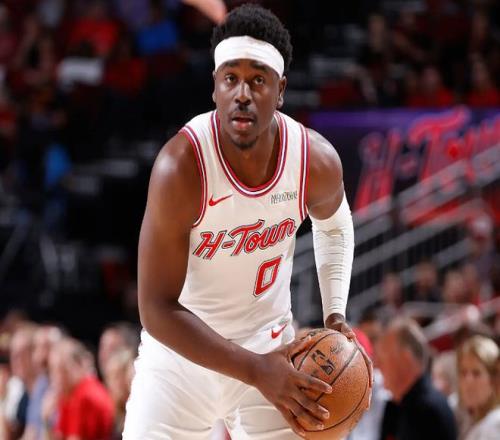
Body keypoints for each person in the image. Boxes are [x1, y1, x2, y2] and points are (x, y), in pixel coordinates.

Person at [123, 4, 371, 439]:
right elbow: (156, 308)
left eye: (258, 80)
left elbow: (335, 225)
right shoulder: (181, 167)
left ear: (280, 90)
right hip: (181, 361)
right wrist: (255, 370)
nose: (242, 93)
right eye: (230, 78)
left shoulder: (313, 160)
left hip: (269, 346)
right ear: (214, 87)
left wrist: (335, 313)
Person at [376, 318, 457, 440]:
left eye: (383, 358)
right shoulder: (396, 407)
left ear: (405, 359)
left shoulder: (428, 412)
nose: (377, 366)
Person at [42, 338, 114, 440]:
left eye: (62, 369)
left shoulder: (86, 395)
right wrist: (46, 421)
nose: (56, 378)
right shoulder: (69, 395)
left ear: (78, 365)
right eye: (53, 370)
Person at [456, 335, 500, 440]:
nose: (468, 381)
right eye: (463, 373)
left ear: (494, 379)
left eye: (476, 373)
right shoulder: (467, 421)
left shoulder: (495, 426)